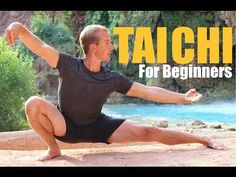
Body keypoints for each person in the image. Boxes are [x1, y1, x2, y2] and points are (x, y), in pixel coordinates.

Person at [4, 22, 226, 161]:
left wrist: (182, 99)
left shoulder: (111, 78)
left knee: (149, 131)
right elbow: (41, 46)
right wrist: (19, 28)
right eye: (107, 42)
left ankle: (203, 139)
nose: (112, 47)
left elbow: (147, 91)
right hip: (65, 126)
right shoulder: (68, 65)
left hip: (98, 126)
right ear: (93, 47)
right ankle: (53, 149)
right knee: (33, 103)